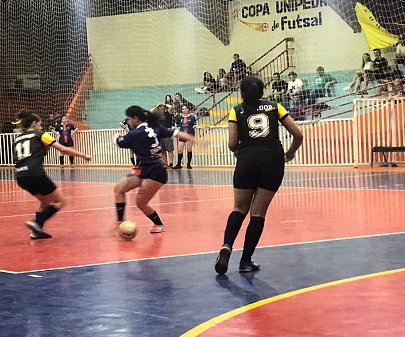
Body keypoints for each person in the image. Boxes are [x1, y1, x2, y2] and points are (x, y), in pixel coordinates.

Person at [214, 76, 303, 275]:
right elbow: (298, 135)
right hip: (273, 160)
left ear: (241, 93)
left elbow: (232, 143)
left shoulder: (236, 110)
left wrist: (241, 152)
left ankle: (227, 245)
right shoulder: (275, 107)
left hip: (247, 159)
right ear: (263, 92)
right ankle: (245, 261)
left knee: (239, 208)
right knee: (258, 212)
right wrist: (290, 153)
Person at [113, 105, 197, 234]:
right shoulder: (155, 127)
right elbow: (176, 133)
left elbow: (118, 142)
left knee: (140, 203)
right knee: (119, 189)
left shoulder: (135, 134)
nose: (128, 122)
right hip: (143, 169)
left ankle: (159, 224)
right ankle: (120, 224)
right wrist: (195, 139)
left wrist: (116, 136)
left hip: (155, 172)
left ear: (135, 119)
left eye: (129, 119)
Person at [12, 110, 91, 239]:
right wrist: (83, 155)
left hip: (20, 176)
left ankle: (36, 231)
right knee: (60, 201)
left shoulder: (17, 139)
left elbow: (25, 156)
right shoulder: (41, 135)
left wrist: (44, 150)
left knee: (45, 202)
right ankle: (36, 223)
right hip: (35, 173)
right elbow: (63, 149)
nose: (41, 127)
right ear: (34, 123)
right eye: (40, 124)